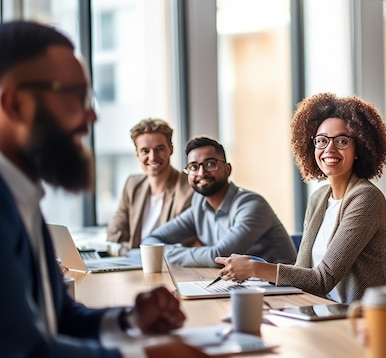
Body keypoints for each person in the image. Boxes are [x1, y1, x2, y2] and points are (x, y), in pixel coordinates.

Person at [0, 20, 205, 357]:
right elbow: (25, 351)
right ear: (15, 105)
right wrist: (143, 355)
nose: (91, 115)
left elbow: (61, 319)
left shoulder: (25, 199)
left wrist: (129, 320)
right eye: (75, 97)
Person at [215, 93, 386, 304]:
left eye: (341, 141)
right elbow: (303, 272)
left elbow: (322, 279)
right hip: (323, 311)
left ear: (359, 148)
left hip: (365, 321)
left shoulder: (366, 198)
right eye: (321, 141)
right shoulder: (319, 198)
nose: (329, 149)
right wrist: (253, 269)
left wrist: (255, 268)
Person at [139, 135, 297, 267]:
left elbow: (219, 256)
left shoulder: (252, 205)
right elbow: (151, 242)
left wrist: (162, 253)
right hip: (237, 285)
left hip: (282, 290)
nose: (201, 173)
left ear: (227, 169)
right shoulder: (199, 207)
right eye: (193, 167)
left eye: (210, 164)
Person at [106, 118, 195, 252]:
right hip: (134, 264)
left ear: (171, 149)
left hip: (170, 267)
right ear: (137, 154)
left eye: (159, 149)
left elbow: (184, 243)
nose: (152, 157)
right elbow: (113, 234)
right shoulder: (132, 184)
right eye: (145, 151)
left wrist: (127, 249)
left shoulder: (188, 189)